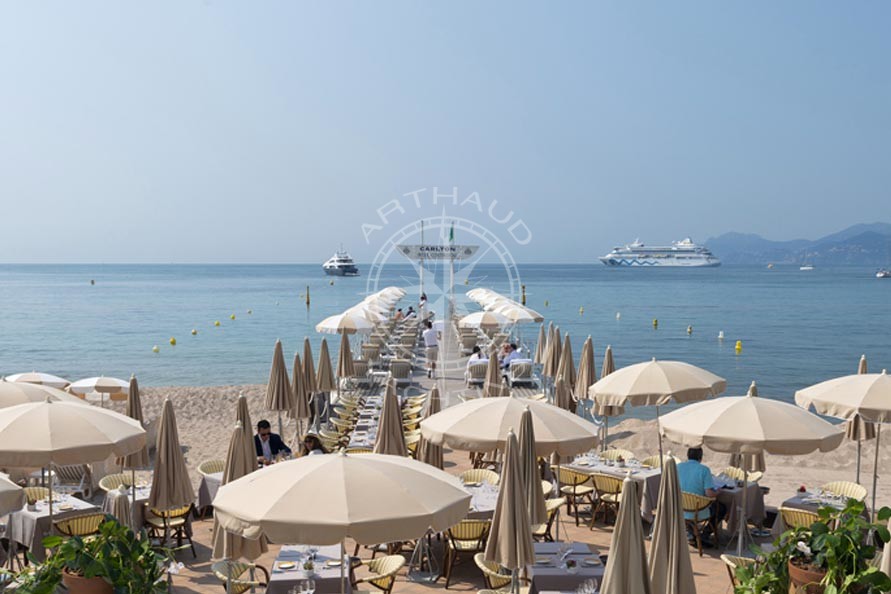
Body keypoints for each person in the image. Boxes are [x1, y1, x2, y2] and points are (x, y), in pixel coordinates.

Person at [676, 447, 725, 543]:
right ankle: (705, 534)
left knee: (692, 503)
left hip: (680, 508)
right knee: (722, 508)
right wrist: (718, 492)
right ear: (700, 457)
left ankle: (691, 532)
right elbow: (709, 494)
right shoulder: (704, 470)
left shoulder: (678, 466)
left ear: (687, 455)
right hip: (698, 511)